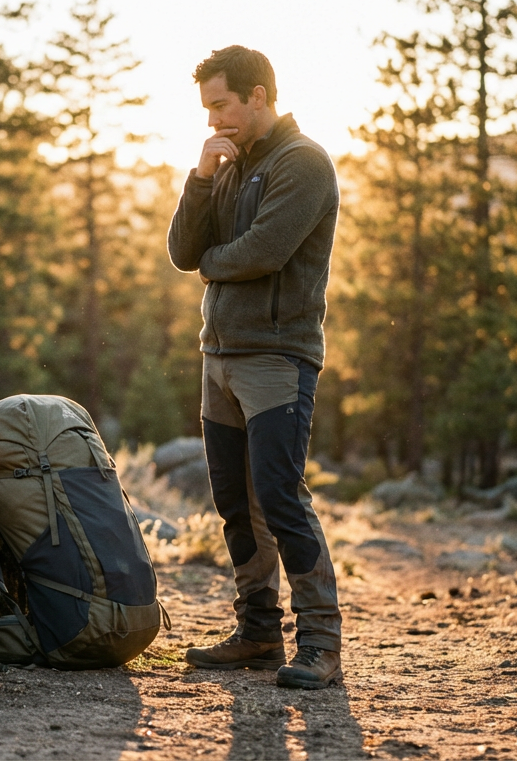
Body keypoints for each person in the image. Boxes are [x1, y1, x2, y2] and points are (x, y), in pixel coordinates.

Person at [166, 45, 342, 689]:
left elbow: (264, 251)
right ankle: (259, 633)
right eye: (208, 108)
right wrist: (203, 178)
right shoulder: (228, 161)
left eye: (222, 105)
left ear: (259, 95)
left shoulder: (305, 163)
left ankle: (321, 642)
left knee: (280, 497)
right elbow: (186, 251)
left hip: (277, 358)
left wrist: (214, 261)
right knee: (234, 503)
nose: (214, 119)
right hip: (218, 358)